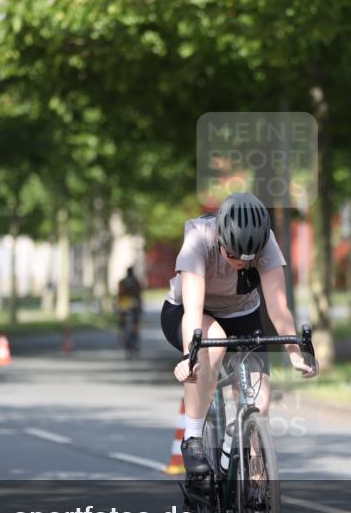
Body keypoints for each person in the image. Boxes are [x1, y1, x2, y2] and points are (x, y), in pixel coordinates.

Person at [161, 192, 319, 476]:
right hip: (191, 312)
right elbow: (193, 311)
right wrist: (189, 357)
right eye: (232, 255)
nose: (240, 263)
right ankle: (193, 437)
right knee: (212, 346)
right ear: (220, 238)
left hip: (243, 315)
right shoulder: (198, 239)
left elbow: (278, 307)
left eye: (249, 259)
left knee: (261, 402)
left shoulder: (265, 242)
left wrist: (295, 353)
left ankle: (256, 485)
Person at [117, 266, 143, 350]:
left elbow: (119, 294)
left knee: (122, 322)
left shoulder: (122, 282)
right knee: (136, 321)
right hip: (134, 304)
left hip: (124, 304)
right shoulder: (136, 282)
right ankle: (136, 340)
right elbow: (139, 294)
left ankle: (121, 334)